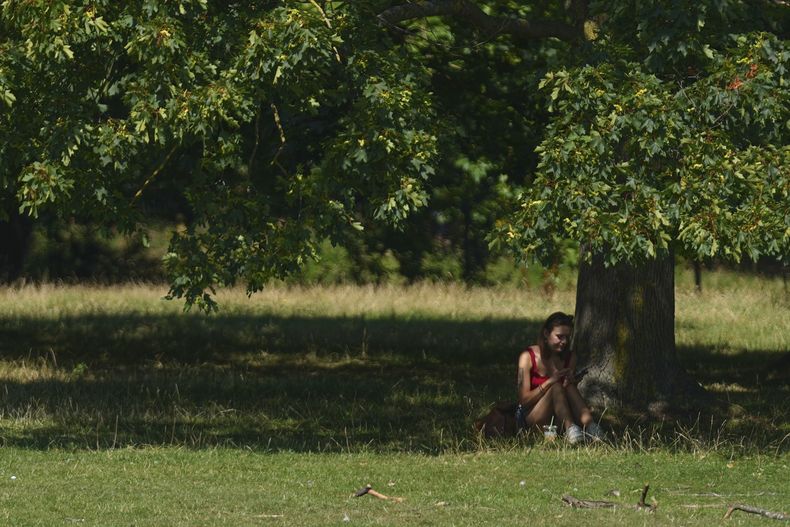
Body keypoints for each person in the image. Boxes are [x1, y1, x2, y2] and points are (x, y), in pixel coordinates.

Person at [515, 311, 603, 444]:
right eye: (559, 336)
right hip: (531, 418)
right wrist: (550, 381)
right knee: (556, 386)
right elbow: (523, 401)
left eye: (567, 337)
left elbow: (565, 396)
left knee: (568, 386)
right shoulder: (527, 357)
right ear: (546, 334)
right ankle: (571, 430)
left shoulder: (570, 357)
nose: (564, 342)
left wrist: (572, 382)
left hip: (557, 418)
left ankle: (592, 427)